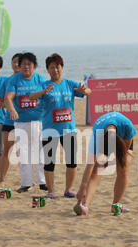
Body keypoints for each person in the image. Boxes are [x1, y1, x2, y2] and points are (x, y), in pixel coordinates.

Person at [29, 53, 92, 199]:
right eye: (51, 68)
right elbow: (31, 96)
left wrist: (85, 91)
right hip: (50, 130)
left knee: (71, 162)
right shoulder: (44, 85)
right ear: (48, 70)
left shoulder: (70, 84)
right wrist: (43, 92)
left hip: (68, 129)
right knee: (49, 163)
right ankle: (51, 191)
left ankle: (68, 190)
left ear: (62, 68)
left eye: (57, 67)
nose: (55, 70)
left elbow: (89, 91)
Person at [74, 112, 136, 215]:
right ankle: (85, 206)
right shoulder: (99, 134)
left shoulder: (127, 126)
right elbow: (90, 165)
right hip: (104, 133)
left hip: (123, 140)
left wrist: (120, 156)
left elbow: (126, 149)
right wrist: (82, 188)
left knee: (123, 169)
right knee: (97, 170)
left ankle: (116, 204)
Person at [4, 52, 47, 193]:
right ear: (19, 66)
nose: (26, 67)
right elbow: (8, 98)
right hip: (21, 122)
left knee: (40, 152)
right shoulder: (14, 80)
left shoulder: (40, 79)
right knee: (23, 153)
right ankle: (26, 183)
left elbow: (48, 97)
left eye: (29, 64)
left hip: (39, 121)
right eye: (23, 64)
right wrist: (12, 110)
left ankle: (43, 182)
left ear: (34, 66)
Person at [0, 53, 22, 186]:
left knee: (25, 152)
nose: (17, 64)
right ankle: (2, 179)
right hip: (9, 121)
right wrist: (10, 105)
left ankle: (27, 180)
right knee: (7, 150)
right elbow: (1, 101)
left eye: (19, 62)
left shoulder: (29, 80)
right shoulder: (7, 81)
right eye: (14, 62)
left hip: (26, 121)